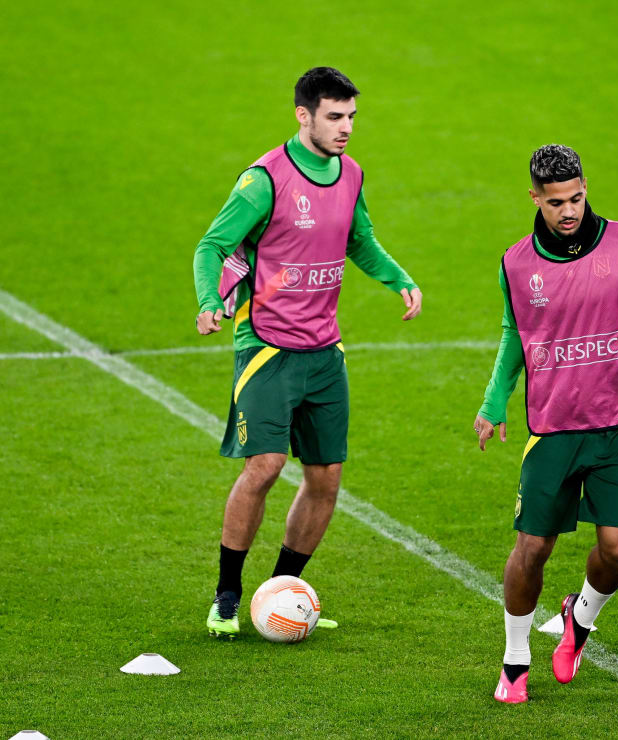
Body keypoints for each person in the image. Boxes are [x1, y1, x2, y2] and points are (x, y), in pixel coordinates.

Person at [193, 66, 421, 639]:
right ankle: (226, 595)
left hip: (324, 352)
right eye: (335, 117)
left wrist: (397, 279)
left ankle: (284, 592)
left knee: (325, 479)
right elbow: (214, 244)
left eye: (351, 117)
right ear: (304, 115)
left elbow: (359, 239)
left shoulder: (351, 174)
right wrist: (208, 300)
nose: (346, 128)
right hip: (267, 347)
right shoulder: (264, 180)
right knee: (265, 467)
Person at [474, 144, 618, 704]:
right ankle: (516, 660)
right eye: (556, 202)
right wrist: (496, 402)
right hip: (553, 428)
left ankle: (580, 617)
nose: (569, 211)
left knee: (617, 550)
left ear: (585, 187)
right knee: (533, 548)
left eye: (576, 197)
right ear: (535, 198)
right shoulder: (516, 263)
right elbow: (513, 334)